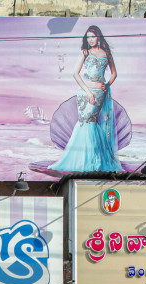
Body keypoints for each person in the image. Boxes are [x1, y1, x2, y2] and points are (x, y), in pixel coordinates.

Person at [50, 25, 122, 173]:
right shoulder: (85, 52)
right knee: (84, 122)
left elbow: (114, 73)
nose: (90, 39)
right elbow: (75, 74)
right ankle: (83, 160)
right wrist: (88, 92)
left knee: (91, 122)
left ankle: (95, 160)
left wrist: (107, 85)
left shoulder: (106, 53)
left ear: (98, 37)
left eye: (93, 36)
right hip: (85, 92)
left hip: (100, 93)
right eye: (88, 37)